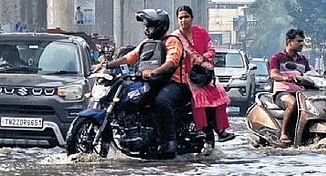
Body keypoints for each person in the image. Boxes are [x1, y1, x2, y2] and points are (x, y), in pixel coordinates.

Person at [94, 8, 189, 154]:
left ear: (159, 25)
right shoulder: (147, 43)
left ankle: (169, 141)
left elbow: (172, 61)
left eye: (149, 26)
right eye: (146, 26)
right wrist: (107, 65)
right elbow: (129, 58)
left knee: (161, 101)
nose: (146, 29)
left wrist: (154, 71)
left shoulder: (172, 41)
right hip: (153, 82)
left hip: (174, 84)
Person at [172, 5, 235, 143]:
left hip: (205, 74)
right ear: (177, 20)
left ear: (192, 18)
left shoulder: (201, 32)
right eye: (180, 18)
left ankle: (221, 130)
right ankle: (200, 129)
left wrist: (202, 58)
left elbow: (212, 49)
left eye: (186, 17)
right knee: (198, 98)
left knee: (221, 96)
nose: (183, 20)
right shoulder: (175, 37)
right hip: (187, 75)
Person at [269, 28, 310, 145]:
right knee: (292, 103)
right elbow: (273, 74)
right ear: (289, 41)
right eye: (298, 41)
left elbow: (309, 74)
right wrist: (285, 78)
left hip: (300, 93)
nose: (301, 44)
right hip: (282, 93)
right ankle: (283, 133)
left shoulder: (303, 60)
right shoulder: (277, 58)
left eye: (302, 41)